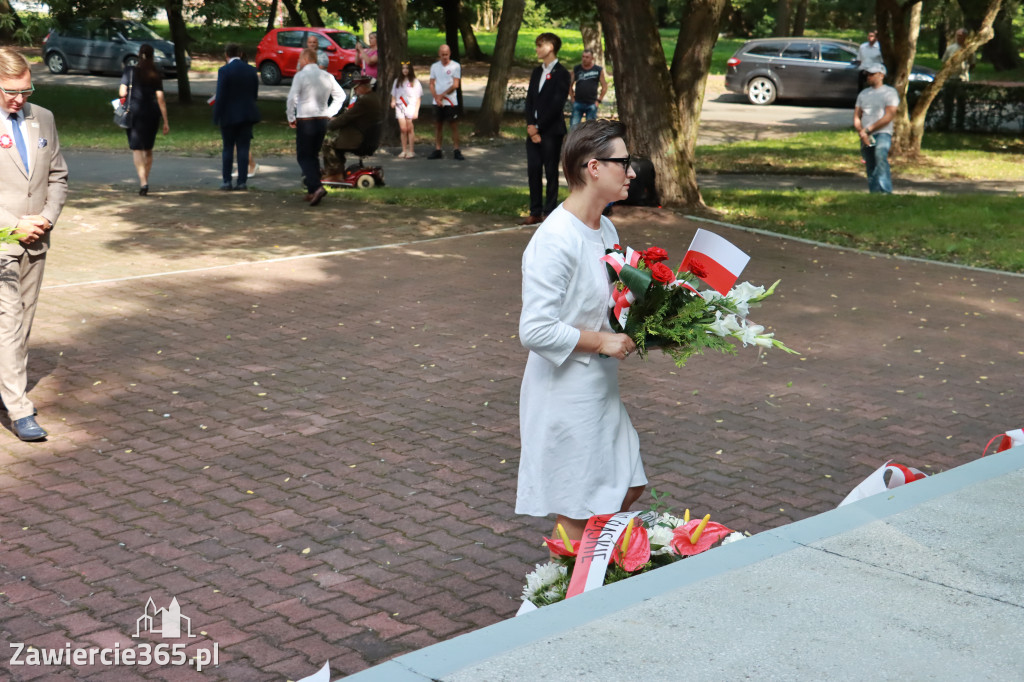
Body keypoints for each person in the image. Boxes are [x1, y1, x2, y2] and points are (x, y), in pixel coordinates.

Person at [516, 119, 642, 544]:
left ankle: (586, 572)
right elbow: (534, 329)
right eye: (623, 163)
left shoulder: (604, 228)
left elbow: (605, 301)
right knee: (581, 506)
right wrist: (600, 340)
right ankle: (563, 597)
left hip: (599, 386)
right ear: (593, 167)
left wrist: (657, 316)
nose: (631, 172)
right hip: (566, 392)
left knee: (628, 485)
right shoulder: (554, 239)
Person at [0, 47, 68, 441]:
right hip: (3, 240)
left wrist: (47, 218)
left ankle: (5, 388)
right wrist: (13, 226)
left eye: (26, 89)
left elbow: (58, 176)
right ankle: (19, 407)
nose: (19, 99)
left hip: (37, 240)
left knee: (23, 320)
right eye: (11, 91)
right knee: (8, 321)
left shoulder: (42, 118)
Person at [521, 32, 570, 225]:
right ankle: (535, 211)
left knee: (550, 172)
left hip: (551, 131)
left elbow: (557, 105)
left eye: (540, 45)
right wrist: (530, 126)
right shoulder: (536, 71)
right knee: (533, 169)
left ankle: (549, 212)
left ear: (550, 47)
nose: (537, 49)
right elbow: (530, 100)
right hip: (533, 131)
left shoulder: (563, 73)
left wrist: (539, 127)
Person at [286, 47, 344, 207]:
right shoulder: (327, 76)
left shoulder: (301, 75)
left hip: (306, 119)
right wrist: (329, 112)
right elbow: (341, 96)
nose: (299, 62)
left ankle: (317, 187)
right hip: (321, 119)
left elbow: (292, 98)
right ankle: (312, 189)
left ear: (305, 59)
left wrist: (291, 116)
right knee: (313, 154)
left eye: (300, 59)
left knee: (303, 156)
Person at [119, 44, 169, 196]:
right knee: (148, 149)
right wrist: (166, 121)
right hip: (152, 114)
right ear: (153, 55)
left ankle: (143, 182)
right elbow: (160, 99)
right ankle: (145, 178)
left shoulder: (130, 71)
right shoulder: (156, 74)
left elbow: (122, 92)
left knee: (137, 148)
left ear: (139, 54)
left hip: (134, 113)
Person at [213, 43, 260, 191]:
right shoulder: (251, 70)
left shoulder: (224, 71)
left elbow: (220, 95)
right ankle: (242, 181)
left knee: (228, 148)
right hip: (246, 114)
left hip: (228, 115)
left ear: (226, 55)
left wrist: (216, 114)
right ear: (240, 54)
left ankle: (226, 181)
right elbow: (254, 93)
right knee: (243, 148)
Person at [322, 75, 383, 182]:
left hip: (358, 138)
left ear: (364, 87)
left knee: (328, 144)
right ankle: (334, 172)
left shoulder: (363, 101)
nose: (355, 90)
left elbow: (346, 118)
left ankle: (335, 174)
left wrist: (329, 125)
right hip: (365, 136)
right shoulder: (373, 97)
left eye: (356, 87)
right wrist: (335, 119)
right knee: (333, 143)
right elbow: (352, 116)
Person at [853, 63, 899, 194]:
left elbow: (889, 115)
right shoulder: (863, 94)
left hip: (882, 132)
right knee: (870, 162)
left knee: (880, 156)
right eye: (867, 74)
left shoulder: (890, 92)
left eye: (872, 74)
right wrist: (861, 132)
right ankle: (874, 192)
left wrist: (868, 130)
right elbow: (857, 116)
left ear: (881, 75)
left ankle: (885, 190)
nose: (869, 77)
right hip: (865, 134)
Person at [427, 44, 464, 160]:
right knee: (438, 125)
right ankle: (438, 149)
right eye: (442, 55)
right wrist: (436, 97)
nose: (444, 57)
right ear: (439, 54)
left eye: (446, 55)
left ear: (450, 54)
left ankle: (456, 150)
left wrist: (442, 95)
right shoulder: (434, 66)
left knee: (453, 125)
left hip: (450, 101)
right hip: (437, 102)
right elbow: (432, 83)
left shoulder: (455, 66)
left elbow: (455, 85)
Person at [941, 28, 975, 131]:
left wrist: (966, 72)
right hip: (950, 79)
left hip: (962, 79)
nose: (959, 38)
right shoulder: (950, 48)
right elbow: (944, 62)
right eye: (957, 36)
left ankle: (959, 125)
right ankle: (946, 124)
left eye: (961, 36)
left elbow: (973, 63)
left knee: (961, 103)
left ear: (965, 37)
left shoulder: (969, 49)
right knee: (948, 102)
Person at [391, 61, 422, 159]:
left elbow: (418, 97)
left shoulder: (414, 81)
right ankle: (404, 150)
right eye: (403, 68)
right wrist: (393, 101)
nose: (405, 70)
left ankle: (411, 150)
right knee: (403, 128)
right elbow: (394, 93)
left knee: (409, 128)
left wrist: (416, 110)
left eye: (407, 68)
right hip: (400, 106)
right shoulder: (397, 81)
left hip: (410, 106)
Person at [569, 49, 607, 129]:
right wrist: (572, 98)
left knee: (590, 129)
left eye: (587, 57)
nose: (584, 59)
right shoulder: (577, 69)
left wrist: (598, 100)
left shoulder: (598, 70)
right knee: (574, 128)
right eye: (583, 57)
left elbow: (604, 86)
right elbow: (570, 85)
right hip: (578, 103)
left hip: (592, 104)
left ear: (592, 58)